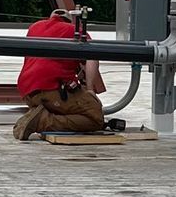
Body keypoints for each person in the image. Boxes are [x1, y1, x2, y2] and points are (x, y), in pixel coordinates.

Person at [12, 11, 110, 141]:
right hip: (53, 89)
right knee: (95, 117)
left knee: (66, 107)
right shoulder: (75, 31)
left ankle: (39, 116)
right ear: (71, 21)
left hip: (28, 92)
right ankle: (43, 121)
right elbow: (92, 58)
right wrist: (91, 90)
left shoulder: (35, 27)